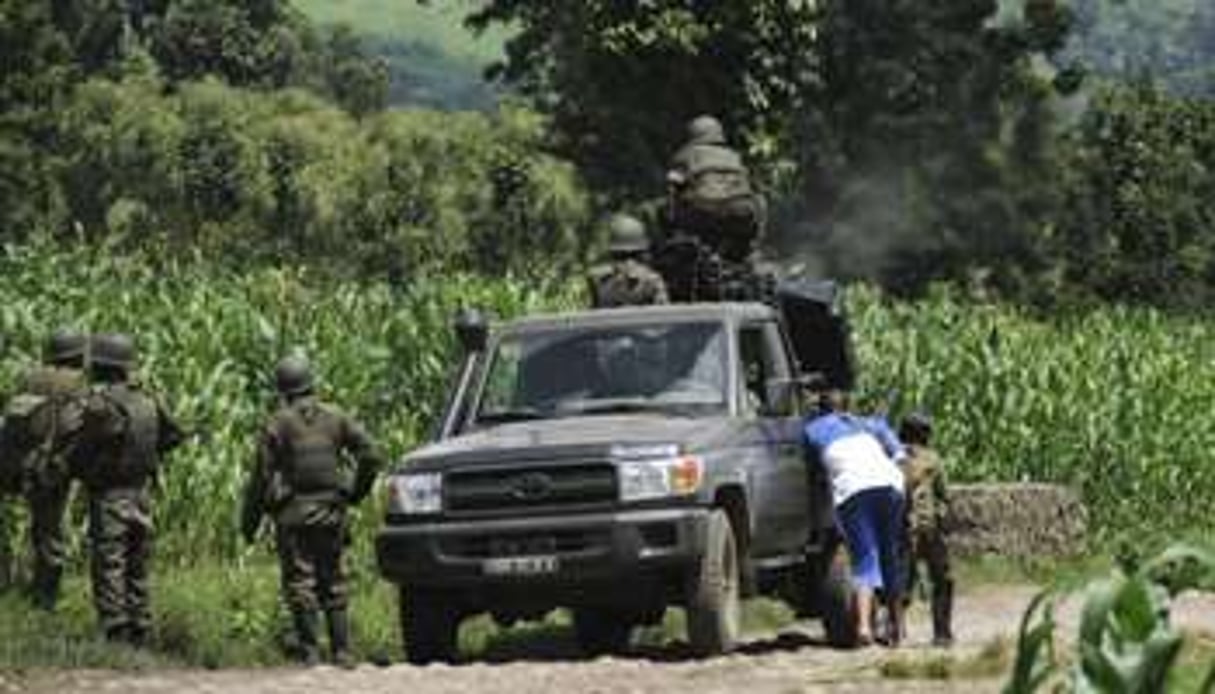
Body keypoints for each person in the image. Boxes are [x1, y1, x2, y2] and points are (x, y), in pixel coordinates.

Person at [240, 356, 384, 667]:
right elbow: (372, 454)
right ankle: (343, 652)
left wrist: (249, 523)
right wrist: (352, 492)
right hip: (332, 513)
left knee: (300, 583)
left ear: (283, 390)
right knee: (334, 581)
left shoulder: (277, 423)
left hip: (293, 516)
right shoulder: (336, 418)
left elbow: (260, 479)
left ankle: (310, 653)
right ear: (311, 384)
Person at [72, 333, 183, 645]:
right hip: (141, 493)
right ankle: (142, 629)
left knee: (110, 563)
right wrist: (148, 454)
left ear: (101, 367)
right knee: (137, 563)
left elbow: (80, 449)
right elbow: (175, 434)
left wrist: (83, 472)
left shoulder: (100, 405)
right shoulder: (149, 401)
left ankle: (116, 633)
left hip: (110, 495)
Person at [803, 390, 905, 647]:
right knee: (888, 556)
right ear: (844, 407)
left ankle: (863, 627)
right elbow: (899, 454)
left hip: (853, 489)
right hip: (891, 483)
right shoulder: (867, 424)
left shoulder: (812, 428)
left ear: (820, 409)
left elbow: (809, 465)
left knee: (864, 559)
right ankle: (897, 626)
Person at [0, 329, 89, 609]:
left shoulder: (30, 377)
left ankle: (5, 583)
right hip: (51, 467)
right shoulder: (78, 383)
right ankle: (45, 599)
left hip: (17, 462)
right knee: (48, 533)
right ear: (77, 354)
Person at [665, 115, 764, 263]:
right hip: (741, 213)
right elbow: (752, 186)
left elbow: (673, 183)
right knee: (760, 201)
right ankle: (750, 249)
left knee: (666, 205)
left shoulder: (685, 155)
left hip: (703, 212)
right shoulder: (734, 156)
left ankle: (677, 246)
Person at [899, 413, 954, 646]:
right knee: (943, 580)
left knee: (902, 583)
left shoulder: (894, 456)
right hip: (928, 528)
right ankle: (941, 633)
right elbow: (944, 494)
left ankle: (893, 630)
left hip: (901, 528)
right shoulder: (932, 459)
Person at [587, 213, 669, 308]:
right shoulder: (652, 281)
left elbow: (592, 315)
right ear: (641, 251)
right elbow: (663, 316)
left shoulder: (600, 280)